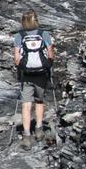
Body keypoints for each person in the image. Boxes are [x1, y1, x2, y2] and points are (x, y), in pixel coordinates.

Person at [13, 10, 54, 149]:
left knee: (26, 104)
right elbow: (50, 54)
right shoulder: (44, 34)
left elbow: (17, 59)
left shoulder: (20, 36)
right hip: (41, 73)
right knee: (39, 101)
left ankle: (26, 136)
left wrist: (21, 69)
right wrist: (48, 66)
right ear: (36, 20)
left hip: (27, 75)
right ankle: (39, 130)